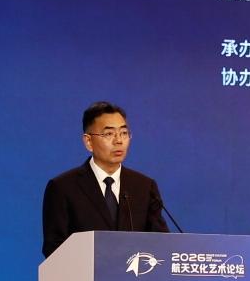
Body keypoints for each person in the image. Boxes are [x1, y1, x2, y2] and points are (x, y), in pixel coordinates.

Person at [41, 102, 169, 257]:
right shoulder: (63, 188)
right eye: (109, 134)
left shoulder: (145, 187)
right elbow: (54, 248)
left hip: (134, 272)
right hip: (84, 272)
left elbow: (162, 243)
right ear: (88, 142)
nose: (119, 140)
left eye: (124, 133)